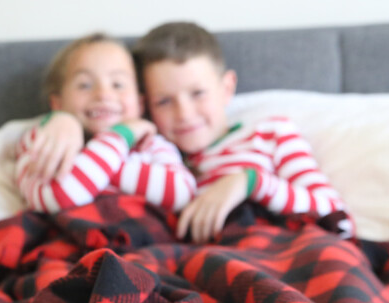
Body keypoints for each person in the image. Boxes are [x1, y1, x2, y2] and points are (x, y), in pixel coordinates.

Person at [132, 22, 354, 243]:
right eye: (163, 101)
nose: (184, 114)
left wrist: (250, 183)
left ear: (226, 88)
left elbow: (338, 219)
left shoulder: (269, 135)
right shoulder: (158, 162)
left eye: (198, 93)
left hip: (283, 251)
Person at [15, 33, 196, 213]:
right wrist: (119, 135)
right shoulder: (43, 139)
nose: (103, 94)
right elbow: (61, 196)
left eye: (118, 84)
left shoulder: (150, 145)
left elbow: (182, 193)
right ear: (57, 103)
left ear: (140, 104)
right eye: (84, 85)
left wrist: (91, 167)